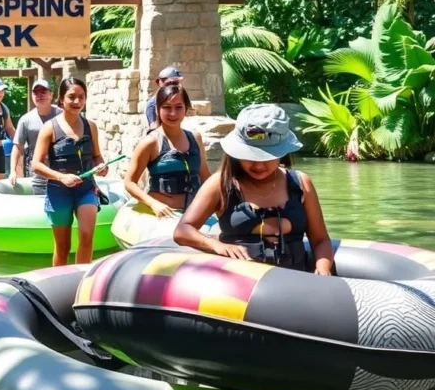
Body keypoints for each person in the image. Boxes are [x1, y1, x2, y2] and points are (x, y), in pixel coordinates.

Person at [174, 104, 335, 274]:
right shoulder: (221, 183)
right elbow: (183, 230)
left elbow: (320, 240)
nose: (258, 165)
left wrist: (322, 269)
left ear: (282, 153)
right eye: (250, 155)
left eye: (267, 156)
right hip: (240, 286)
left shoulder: (301, 183)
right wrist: (216, 245)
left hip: (295, 279)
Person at [30, 78, 107, 267]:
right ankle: (59, 284)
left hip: (86, 189)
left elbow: (97, 156)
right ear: (61, 100)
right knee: (63, 247)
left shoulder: (91, 126)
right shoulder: (50, 128)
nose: (77, 102)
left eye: (81, 97)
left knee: (87, 236)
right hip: (59, 192)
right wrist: (61, 177)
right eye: (71, 97)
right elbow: (36, 165)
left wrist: (102, 166)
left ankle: (81, 282)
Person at [124, 84, 210, 217]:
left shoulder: (195, 138)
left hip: (194, 213)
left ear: (186, 108)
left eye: (179, 107)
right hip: (164, 215)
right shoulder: (150, 143)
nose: (173, 113)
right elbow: (129, 183)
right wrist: (153, 204)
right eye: (167, 107)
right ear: (157, 109)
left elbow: (205, 176)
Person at [9, 79, 61, 195]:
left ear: (51, 94)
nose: (39, 95)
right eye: (36, 92)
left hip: (61, 172)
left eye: (43, 91)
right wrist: (12, 171)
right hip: (38, 175)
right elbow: (17, 147)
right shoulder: (26, 120)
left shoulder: (62, 115)